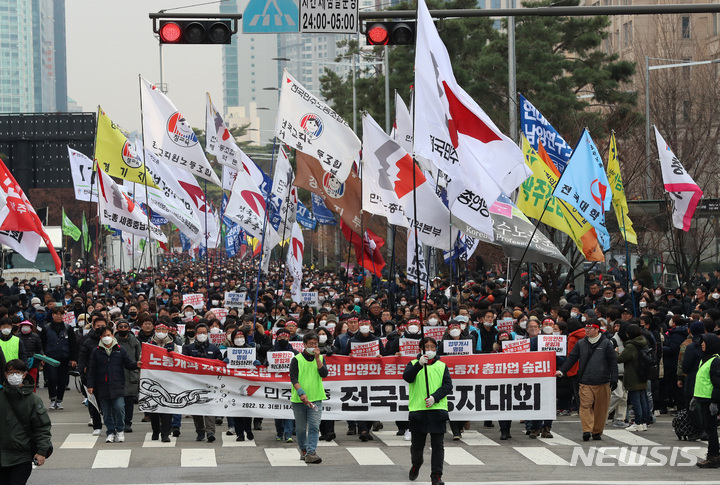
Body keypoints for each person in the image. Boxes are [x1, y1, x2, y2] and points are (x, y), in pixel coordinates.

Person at [556, 318, 618, 441]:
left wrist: (614, 378)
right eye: (586, 328)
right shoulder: (581, 344)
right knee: (585, 406)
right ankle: (587, 430)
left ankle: (597, 431)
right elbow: (571, 358)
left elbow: (612, 362)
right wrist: (562, 371)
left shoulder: (606, 344)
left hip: (603, 381)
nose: (587, 330)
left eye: (590, 328)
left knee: (601, 409)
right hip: (585, 381)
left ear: (597, 329)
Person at [404, 337, 453, 485]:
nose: (430, 350)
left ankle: (436, 476)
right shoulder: (412, 364)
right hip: (418, 411)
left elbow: (447, 386)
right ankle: (416, 464)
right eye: (427, 347)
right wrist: (419, 365)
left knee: (438, 445)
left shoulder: (442, 365)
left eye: (433, 347)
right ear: (420, 349)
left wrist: (435, 397)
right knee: (417, 446)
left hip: (437, 409)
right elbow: (407, 378)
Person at [0, 359, 52, 484]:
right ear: (6, 375)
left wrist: (41, 452)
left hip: (21, 456)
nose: (14, 375)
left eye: (17, 372)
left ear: (24, 375)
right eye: (11, 372)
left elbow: (42, 427)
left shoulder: (33, 400)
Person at [87, 326, 139, 443]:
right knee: (106, 412)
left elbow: (128, 364)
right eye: (104, 336)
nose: (107, 338)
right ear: (100, 337)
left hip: (118, 385)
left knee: (120, 407)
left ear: (113, 335)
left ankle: (120, 430)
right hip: (102, 386)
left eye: (109, 335)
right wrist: (90, 385)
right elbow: (92, 370)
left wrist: (137, 364)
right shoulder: (96, 351)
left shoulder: (120, 350)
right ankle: (110, 432)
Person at [290, 331, 328, 464]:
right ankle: (304, 449)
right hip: (299, 400)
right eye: (311, 343)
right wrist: (301, 393)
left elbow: (324, 374)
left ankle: (311, 452)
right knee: (300, 428)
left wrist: (318, 359)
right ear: (304, 344)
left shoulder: (321, 358)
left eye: (315, 343)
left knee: (314, 426)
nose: (313, 346)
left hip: (316, 398)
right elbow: (293, 378)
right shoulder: (296, 359)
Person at [40, 307, 78, 410]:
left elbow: (73, 344)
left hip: (64, 358)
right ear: (52, 315)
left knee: (62, 380)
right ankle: (52, 399)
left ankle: (59, 401)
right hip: (50, 358)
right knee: (52, 379)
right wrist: (42, 356)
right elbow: (41, 344)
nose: (58, 316)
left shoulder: (68, 328)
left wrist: (73, 359)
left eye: (61, 314)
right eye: (56, 314)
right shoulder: (46, 328)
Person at [616, 324, 651, 432]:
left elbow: (620, 359)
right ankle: (644, 422)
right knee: (643, 399)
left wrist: (615, 351)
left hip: (633, 375)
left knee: (636, 401)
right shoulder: (643, 342)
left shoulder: (630, 346)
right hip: (642, 374)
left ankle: (638, 422)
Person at [693, 333, 720, 468]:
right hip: (703, 399)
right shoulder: (704, 359)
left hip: (710, 400)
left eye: (704, 342)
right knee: (709, 428)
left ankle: (713, 457)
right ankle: (713, 455)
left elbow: (717, 383)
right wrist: (695, 397)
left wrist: (715, 402)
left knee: (711, 428)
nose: (702, 344)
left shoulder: (715, 361)